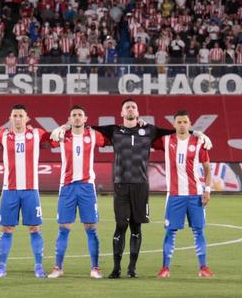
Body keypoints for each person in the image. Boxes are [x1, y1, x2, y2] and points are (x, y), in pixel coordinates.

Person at [53, 99, 212, 278]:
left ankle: (132, 269)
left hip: (141, 185)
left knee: (136, 227)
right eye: (127, 107)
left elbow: (176, 132)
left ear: (138, 112)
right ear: (122, 113)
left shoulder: (150, 130)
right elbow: (80, 125)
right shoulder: (113, 130)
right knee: (121, 225)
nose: (130, 109)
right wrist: (65, 126)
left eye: (133, 107)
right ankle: (116, 268)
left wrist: (196, 133)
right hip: (121, 184)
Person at [47, 105, 109, 279]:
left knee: (91, 228)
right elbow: (48, 140)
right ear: (69, 118)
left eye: (79, 115)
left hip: (87, 187)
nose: (76, 118)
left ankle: (95, 268)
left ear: (85, 118)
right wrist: (61, 127)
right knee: (63, 228)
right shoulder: (62, 135)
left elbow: (110, 138)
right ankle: (58, 267)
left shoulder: (93, 135)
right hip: (67, 187)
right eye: (73, 115)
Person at [153, 110, 214, 278]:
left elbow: (208, 169)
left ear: (190, 124)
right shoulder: (166, 141)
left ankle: (203, 268)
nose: (182, 125)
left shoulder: (199, 142)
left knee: (198, 231)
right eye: (179, 122)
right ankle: (165, 268)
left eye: (185, 122)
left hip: (196, 195)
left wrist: (207, 190)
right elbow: (148, 135)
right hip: (174, 195)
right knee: (170, 231)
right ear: (173, 125)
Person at [0, 104, 50, 278]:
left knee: (34, 228)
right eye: (15, 116)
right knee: (7, 229)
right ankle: (1, 266)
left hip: (31, 190)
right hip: (9, 190)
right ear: (10, 119)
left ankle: (39, 266)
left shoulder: (36, 134)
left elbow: (54, 139)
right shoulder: (3, 135)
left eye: (21, 116)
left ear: (27, 119)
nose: (17, 119)